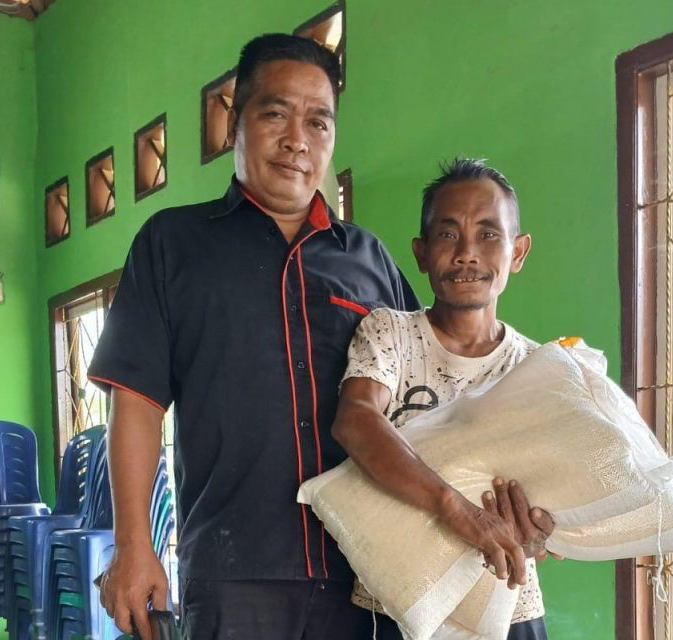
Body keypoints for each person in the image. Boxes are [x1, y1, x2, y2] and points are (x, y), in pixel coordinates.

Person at [86, 34, 423, 640]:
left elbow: (428, 397)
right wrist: (134, 545)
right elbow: (135, 401)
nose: (298, 141)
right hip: (234, 575)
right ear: (233, 122)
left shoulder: (369, 260)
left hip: (369, 570)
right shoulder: (174, 245)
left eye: (318, 123)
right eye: (275, 114)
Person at [332, 158, 556, 640]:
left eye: (488, 234)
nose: (467, 254)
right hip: (395, 606)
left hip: (507, 608)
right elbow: (356, 420)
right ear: (421, 251)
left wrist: (544, 527)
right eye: (448, 234)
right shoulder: (390, 334)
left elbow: (556, 500)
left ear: (518, 252)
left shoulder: (538, 367)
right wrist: (455, 508)